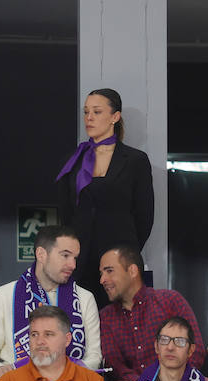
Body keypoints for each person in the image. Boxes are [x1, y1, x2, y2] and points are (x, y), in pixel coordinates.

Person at [56, 88, 154, 305]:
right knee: (79, 316)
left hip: (119, 256)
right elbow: (66, 212)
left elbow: (144, 215)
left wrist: (127, 252)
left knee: (119, 320)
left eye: (97, 112)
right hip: (80, 258)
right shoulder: (73, 160)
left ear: (115, 117)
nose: (89, 118)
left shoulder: (135, 160)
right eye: (86, 112)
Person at [0, 225, 103, 381]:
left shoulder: (85, 298)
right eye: (65, 255)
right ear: (41, 254)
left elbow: (94, 356)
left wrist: (70, 372)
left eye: (75, 258)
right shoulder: (4, 295)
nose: (73, 265)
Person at [98, 244, 205, 381]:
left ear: (132, 271)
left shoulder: (170, 301)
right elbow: (115, 366)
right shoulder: (106, 316)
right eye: (101, 273)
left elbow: (195, 351)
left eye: (109, 271)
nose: (102, 280)